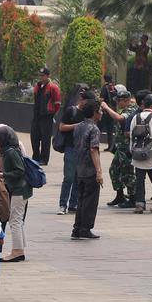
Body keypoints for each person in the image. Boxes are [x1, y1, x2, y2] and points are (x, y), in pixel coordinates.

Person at [0, 125, 30, 262]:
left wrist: (4, 175)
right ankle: (20, 248)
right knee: (18, 219)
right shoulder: (11, 150)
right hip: (20, 188)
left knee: (14, 220)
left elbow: (19, 171)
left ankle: (17, 251)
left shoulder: (10, 152)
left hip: (19, 189)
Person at [71, 99, 104, 240]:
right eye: (100, 111)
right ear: (95, 113)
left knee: (81, 199)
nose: (101, 113)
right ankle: (85, 228)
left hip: (79, 168)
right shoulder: (94, 129)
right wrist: (99, 171)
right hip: (90, 169)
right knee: (90, 200)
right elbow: (93, 150)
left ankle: (77, 228)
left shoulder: (79, 127)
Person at [56, 87, 89, 215]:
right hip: (71, 147)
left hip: (82, 149)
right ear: (81, 99)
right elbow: (61, 127)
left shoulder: (88, 112)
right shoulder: (71, 111)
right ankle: (63, 204)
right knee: (68, 177)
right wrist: (77, 126)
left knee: (78, 178)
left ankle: (73, 204)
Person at [30, 68, 61, 165]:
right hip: (37, 116)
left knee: (45, 139)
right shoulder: (38, 86)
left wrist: (52, 113)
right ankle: (35, 157)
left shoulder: (53, 87)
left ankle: (44, 159)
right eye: (40, 75)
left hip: (47, 116)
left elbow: (57, 103)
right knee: (34, 137)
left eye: (42, 75)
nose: (40, 77)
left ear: (48, 76)